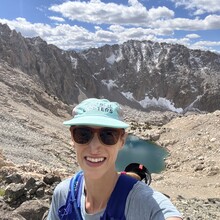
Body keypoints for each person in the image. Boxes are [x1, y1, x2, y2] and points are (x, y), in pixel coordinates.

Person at [47, 98, 183, 220]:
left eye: (108, 135)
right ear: (72, 138)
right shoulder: (63, 194)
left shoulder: (144, 201)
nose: (94, 148)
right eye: (83, 134)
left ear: (122, 140)